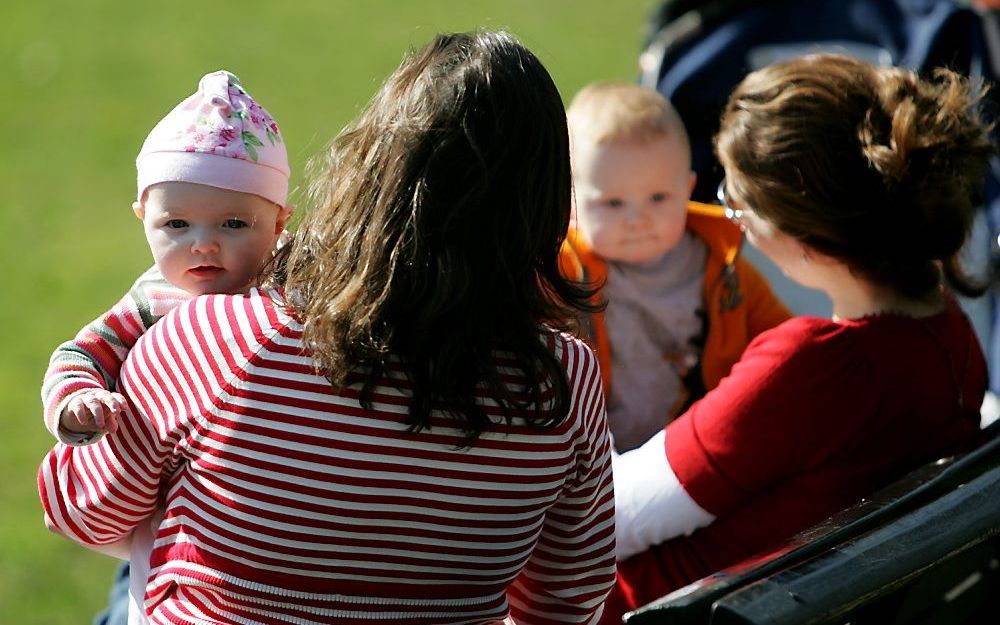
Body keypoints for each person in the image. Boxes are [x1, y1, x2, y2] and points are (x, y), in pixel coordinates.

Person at [38, 30, 616, 625]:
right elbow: (567, 599)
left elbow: (83, 510)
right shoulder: (565, 383)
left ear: (373, 166)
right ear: (549, 203)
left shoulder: (216, 338)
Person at [603, 53, 994, 619]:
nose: (731, 218)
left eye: (738, 205)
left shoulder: (816, 369)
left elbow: (606, 519)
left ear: (802, 236)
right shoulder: (946, 332)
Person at [39, 70, 293, 624]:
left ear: (279, 223)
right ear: (142, 218)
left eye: (234, 223)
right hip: (152, 506)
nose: (203, 243)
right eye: (175, 223)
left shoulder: (294, 283)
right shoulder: (153, 298)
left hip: (238, 521)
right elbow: (79, 354)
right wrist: (76, 402)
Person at [561, 82, 789, 453]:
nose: (638, 219)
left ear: (687, 189)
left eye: (658, 198)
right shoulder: (564, 272)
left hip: (699, 450)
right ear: (571, 201)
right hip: (599, 461)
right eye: (614, 204)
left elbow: (785, 342)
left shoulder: (721, 267)